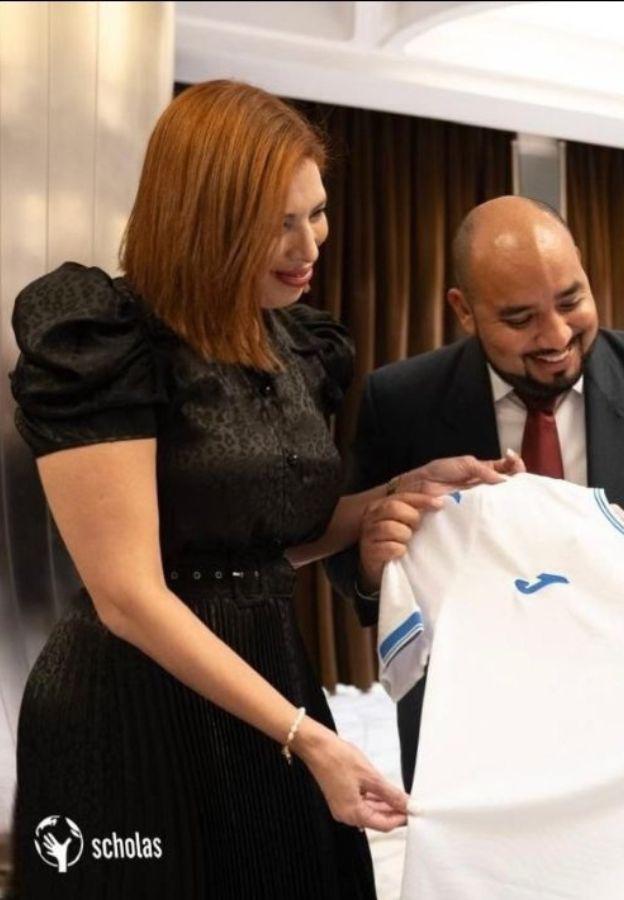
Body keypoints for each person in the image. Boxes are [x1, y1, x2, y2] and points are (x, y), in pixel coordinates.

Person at [6, 80, 432, 898]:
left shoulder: (299, 344)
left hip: (270, 687)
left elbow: (266, 541)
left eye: (316, 211)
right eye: (278, 221)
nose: (309, 243)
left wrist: (396, 493)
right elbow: (128, 594)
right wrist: (307, 737)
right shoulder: (104, 337)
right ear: (201, 217)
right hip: (131, 704)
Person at [327, 195, 624, 789]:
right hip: (472, 731)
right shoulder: (401, 401)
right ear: (463, 311)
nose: (556, 335)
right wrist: (372, 560)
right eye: (519, 319)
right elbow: (351, 566)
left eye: (571, 301)